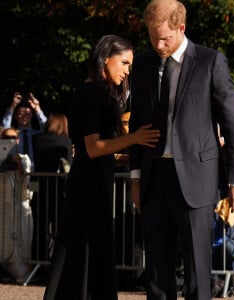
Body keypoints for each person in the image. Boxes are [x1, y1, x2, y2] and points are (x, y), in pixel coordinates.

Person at [128, 1, 234, 299]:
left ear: (181, 28)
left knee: (197, 272)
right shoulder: (142, 65)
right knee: (156, 273)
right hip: (155, 179)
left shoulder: (210, 61)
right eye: (152, 37)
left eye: (165, 38)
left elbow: (232, 123)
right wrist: (135, 177)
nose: (158, 44)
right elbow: (137, 124)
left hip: (198, 179)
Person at [43, 34, 160, 300]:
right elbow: (93, 148)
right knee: (83, 252)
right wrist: (135, 138)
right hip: (88, 186)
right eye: (124, 63)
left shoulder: (101, 94)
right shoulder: (88, 94)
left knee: (91, 253)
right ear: (106, 59)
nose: (128, 70)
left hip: (97, 182)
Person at [31, 112, 73, 262]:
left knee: (39, 228)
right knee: (59, 228)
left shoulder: (37, 139)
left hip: (40, 189)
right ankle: (57, 262)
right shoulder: (65, 143)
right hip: (58, 190)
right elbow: (68, 165)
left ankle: (38, 260)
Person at [0, 127, 33, 283]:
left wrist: (20, 163)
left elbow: (24, 183)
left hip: (20, 208)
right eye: (6, 138)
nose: (10, 140)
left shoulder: (24, 158)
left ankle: (24, 272)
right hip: (3, 209)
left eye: (14, 137)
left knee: (22, 241)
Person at [1, 92, 47, 170]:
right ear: (15, 116)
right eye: (21, 113)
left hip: (36, 173)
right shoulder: (13, 134)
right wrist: (13, 105)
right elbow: (5, 129)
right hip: (15, 173)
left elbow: (48, 128)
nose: (24, 116)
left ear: (32, 115)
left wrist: (37, 108)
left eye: (28, 113)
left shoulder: (37, 134)